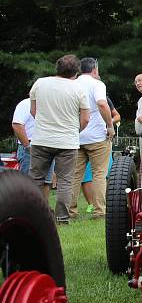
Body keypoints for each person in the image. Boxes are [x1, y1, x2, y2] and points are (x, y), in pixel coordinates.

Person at [29, 54, 89, 224]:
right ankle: (62, 218)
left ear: (57, 68)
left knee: (36, 178)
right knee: (65, 181)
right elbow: (85, 119)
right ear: (76, 73)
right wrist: (72, 131)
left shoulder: (40, 83)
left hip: (41, 139)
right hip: (67, 142)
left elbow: (34, 111)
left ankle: (35, 214)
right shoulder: (78, 89)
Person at [69, 58, 115, 220]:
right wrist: (110, 125)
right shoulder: (97, 84)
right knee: (99, 174)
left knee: (74, 175)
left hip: (75, 135)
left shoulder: (71, 84)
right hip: (96, 137)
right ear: (95, 70)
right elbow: (102, 104)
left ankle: (70, 211)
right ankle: (99, 211)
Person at [80, 95, 120, 213]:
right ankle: (92, 205)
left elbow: (117, 115)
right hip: (83, 139)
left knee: (102, 174)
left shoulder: (103, 97)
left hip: (99, 138)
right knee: (86, 175)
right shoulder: (77, 93)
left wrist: (108, 123)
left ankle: (100, 205)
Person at [11, 97, 55, 194]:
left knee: (45, 182)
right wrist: (27, 146)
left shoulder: (50, 103)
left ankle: (41, 208)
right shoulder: (26, 104)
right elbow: (17, 125)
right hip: (31, 146)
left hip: (48, 145)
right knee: (27, 183)